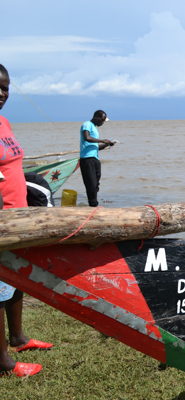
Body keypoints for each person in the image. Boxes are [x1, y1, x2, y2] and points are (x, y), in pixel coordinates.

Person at [0, 63, 53, 377]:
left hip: (17, 217)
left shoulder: (3, 122)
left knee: (15, 280)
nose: (2, 93)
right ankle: (2, 362)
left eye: (5, 87)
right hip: (1, 221)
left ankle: (18, 338)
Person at [80, 110, 114, 207]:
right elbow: (86, 137)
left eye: (104, 121)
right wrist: (103, 139)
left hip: (95, 159)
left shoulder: (95, 128)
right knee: (90, 184)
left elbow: (95, 146)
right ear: (96, 116)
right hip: (87, 159)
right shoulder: (87, 124)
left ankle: (94, 204)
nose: (102, 123)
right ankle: (93, 205)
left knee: (96, 184)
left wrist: (107, 144)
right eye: (102, 120)